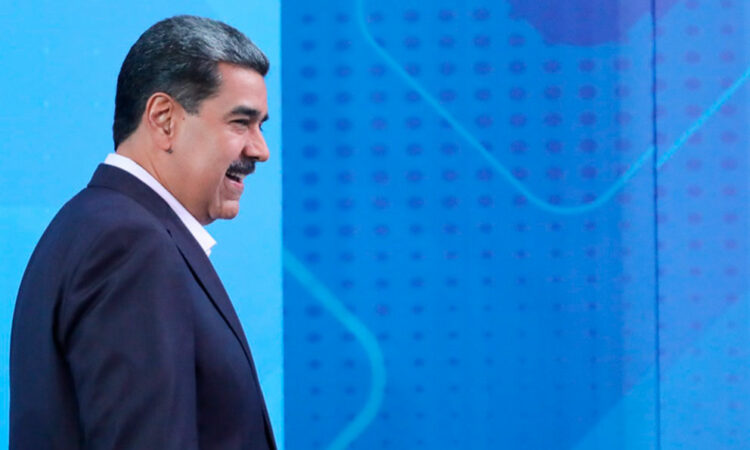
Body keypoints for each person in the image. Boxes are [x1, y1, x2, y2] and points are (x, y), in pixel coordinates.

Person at [9, 15, 276, 449]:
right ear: (164, 119)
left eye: (261, 126)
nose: (260, 150)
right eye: (240, 122)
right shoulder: (129, 245)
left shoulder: (96, 225)